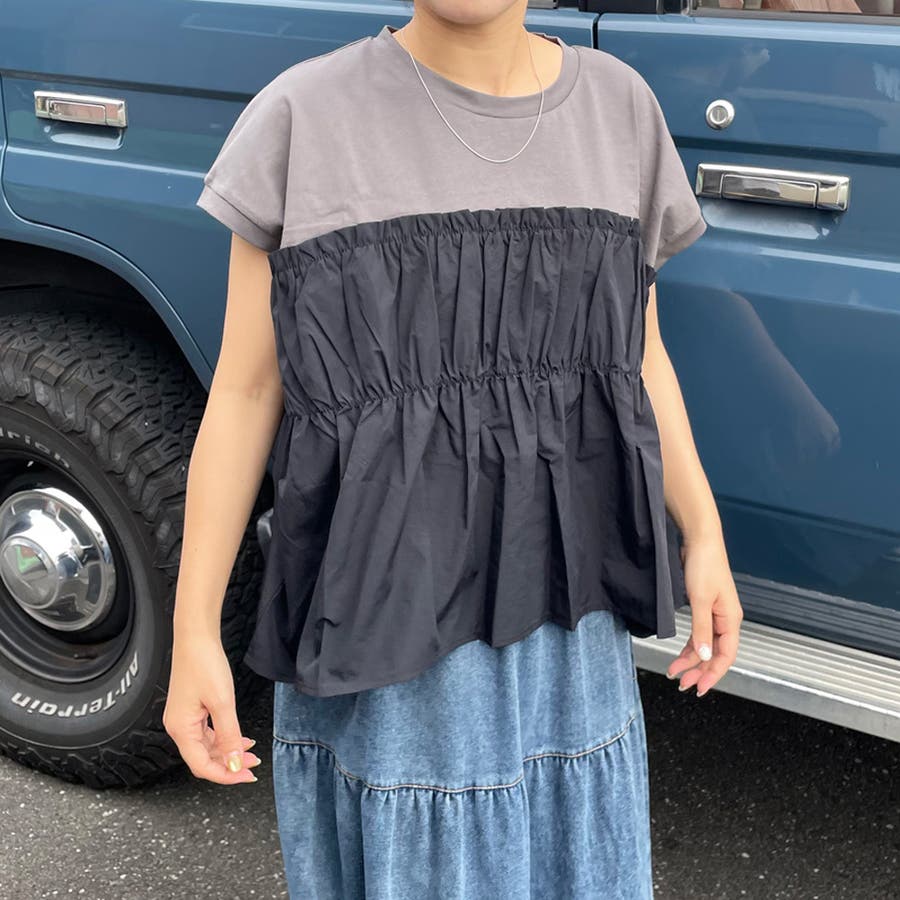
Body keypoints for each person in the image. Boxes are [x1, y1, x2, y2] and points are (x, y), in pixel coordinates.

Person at [164, 2, 743, 897]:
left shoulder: (620, 107)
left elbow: (636, 355)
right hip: (388, 633)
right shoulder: (302, 117)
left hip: (568, 631)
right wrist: (193, 631)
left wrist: (703, 535)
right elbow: (245, 394)